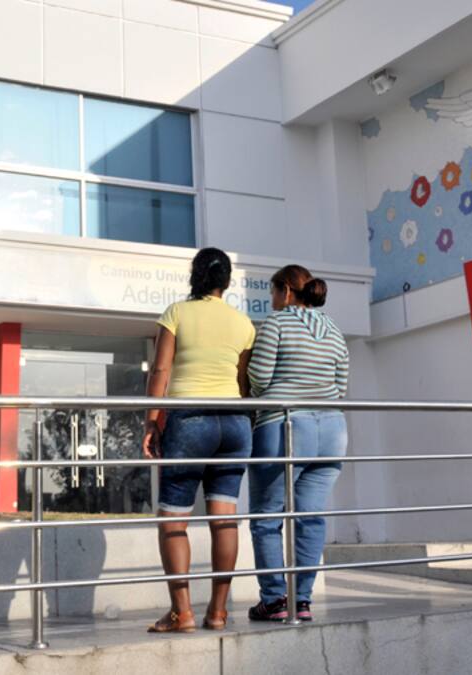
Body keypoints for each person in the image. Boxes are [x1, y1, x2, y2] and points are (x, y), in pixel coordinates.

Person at [142, 247, 256, 633]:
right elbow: (242, 381)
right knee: (224, 518)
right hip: (235, 423)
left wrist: (152, 422)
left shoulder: (177, 312)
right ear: (226, 281)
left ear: (196, 275)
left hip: (190, 421)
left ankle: (182, 613)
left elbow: (161, 370)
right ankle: (218, 613)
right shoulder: (243, 323)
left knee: (174, 518)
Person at [246, 264, 349, 623]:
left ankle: (275, 600)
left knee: (266, 517)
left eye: (273, 293)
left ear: (286, 291)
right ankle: (302, 600)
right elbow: (341, 385)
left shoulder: (275, 324)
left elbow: (259, 379)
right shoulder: (333, 329)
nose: (271, 300)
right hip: (332, 430)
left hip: (285, 426)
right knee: (310, 518)